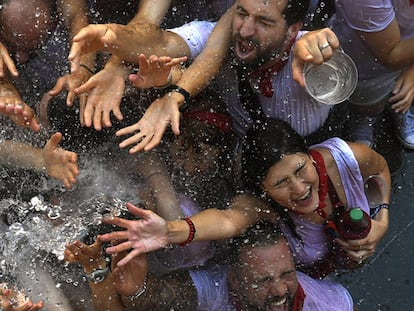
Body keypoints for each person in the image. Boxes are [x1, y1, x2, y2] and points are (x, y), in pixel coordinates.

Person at [99, 118, 390, 279]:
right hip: (302, 277)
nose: (299, 188)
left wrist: (383, 219)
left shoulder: (345, 159)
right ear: (263, 188)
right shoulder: (261, 205)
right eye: (281, 183)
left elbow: (380, 169)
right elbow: (226, 220)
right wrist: (171, 231)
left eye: (301, 169)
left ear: (308, 156)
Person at [112, 0, 352, 154]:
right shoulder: (217, 37)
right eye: (242, 13)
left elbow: (329, 55)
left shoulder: (311, 57)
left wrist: (321, 52)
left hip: (310, 153)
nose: (245, 31)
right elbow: (159, 43)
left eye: (264, 21)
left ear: (292, 28)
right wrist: (110, 39)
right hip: (242, 148)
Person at [65, 221, 354, 310]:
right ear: (235, 280)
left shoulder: (328, 305)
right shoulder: (218, 287)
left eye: (287, 274)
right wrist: (137, 290)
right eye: (262, 281)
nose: (280, 290)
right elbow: (158, 299)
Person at [325, 0, 414, 148]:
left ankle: (398, 107)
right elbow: (390, 56)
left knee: (401, 92)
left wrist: (411, 71)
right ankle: (366, 115)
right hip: (366, 54)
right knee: (368, 98)